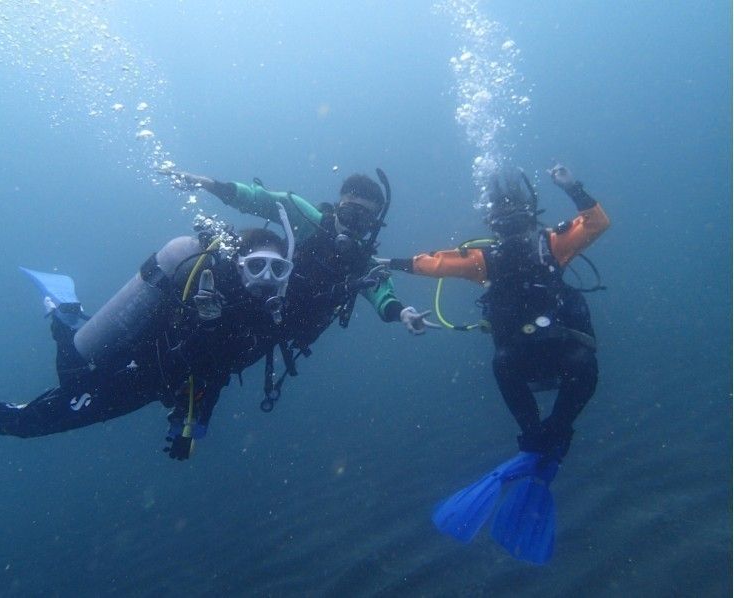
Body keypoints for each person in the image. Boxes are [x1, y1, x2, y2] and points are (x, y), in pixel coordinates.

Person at [0, 209, 299, 461]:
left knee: (35, 418)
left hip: (147, 384)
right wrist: (205, 334)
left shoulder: (264, 318)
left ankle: (70, 314)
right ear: (237, 266)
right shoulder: (205, 295)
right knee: (33, 417)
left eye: (277, 268)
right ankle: (62, 312)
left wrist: (192, 427)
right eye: (256, 265)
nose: (266, 277)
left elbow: (215, 372)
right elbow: (190, 358)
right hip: (127, 370)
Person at [388, 164, 610, 563]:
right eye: (503, 219)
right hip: (523, 356)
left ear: (530, 214)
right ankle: (536, 439)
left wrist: (573, 186)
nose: (511, 225)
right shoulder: (485, 260)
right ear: (494, 222)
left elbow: (596, 223)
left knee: (580, 363)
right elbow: (433, 263)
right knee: (507, 364)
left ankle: (553, 434)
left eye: (516, 216)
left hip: (559, 346)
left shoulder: (550, 245)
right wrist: (389, 263)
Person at [164, 169, 439, 343]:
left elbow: (382, 293)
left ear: (373, 226)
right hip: (249, 302)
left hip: (276, 332)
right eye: (348, 214)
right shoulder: (309, 220)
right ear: (336, 208)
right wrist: (210, 185)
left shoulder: (362, 263)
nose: (353, 226)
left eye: (364, 221)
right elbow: (259, 199)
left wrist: (401, 312)